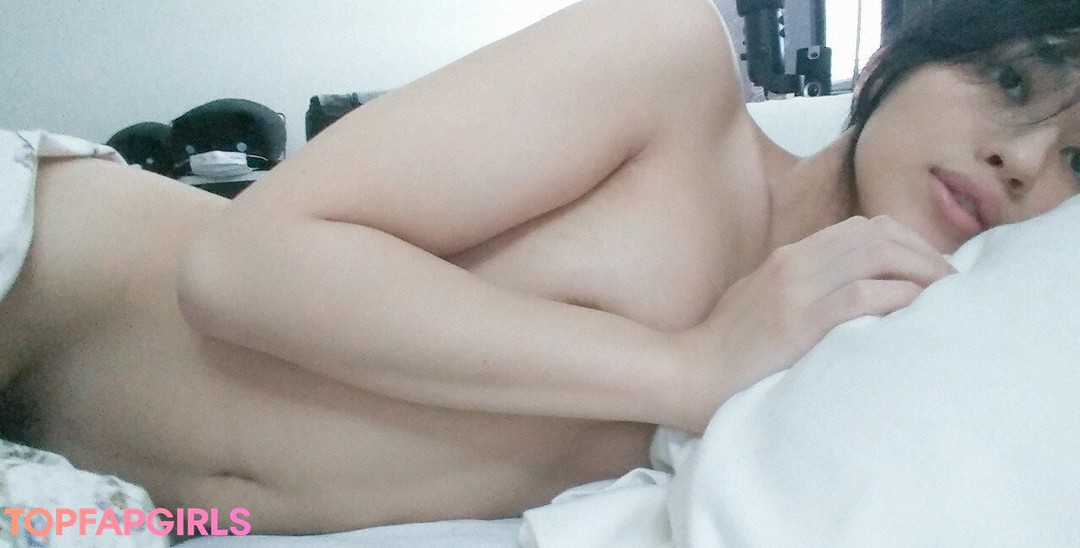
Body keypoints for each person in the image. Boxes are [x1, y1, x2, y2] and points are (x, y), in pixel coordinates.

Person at [1, 0, 1078, 536]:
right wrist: (687, 366)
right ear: (902, 55)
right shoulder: (671, 70)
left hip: (99, 489)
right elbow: (242, 264)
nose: (1021, 160)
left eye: (1079, 159)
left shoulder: (860, 374)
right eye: (1012, 85)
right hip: (38, 264)